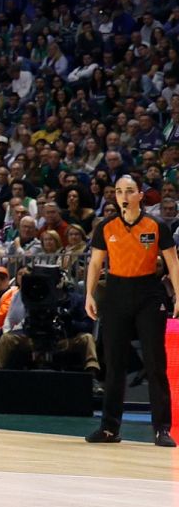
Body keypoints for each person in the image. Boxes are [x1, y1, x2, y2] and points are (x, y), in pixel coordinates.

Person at [85, 176, 179, 446]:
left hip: (148, 294)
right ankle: (109, 428)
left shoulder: (156, 225)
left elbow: (172, 262)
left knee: (155, 362)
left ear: (140, 195)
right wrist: (89, 295)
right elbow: (95, 264)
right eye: (118, 191)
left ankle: (162, 429)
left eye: (129, 191)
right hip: (115, 294)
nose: (123, 196)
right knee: (114, 365)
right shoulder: (106, 226)